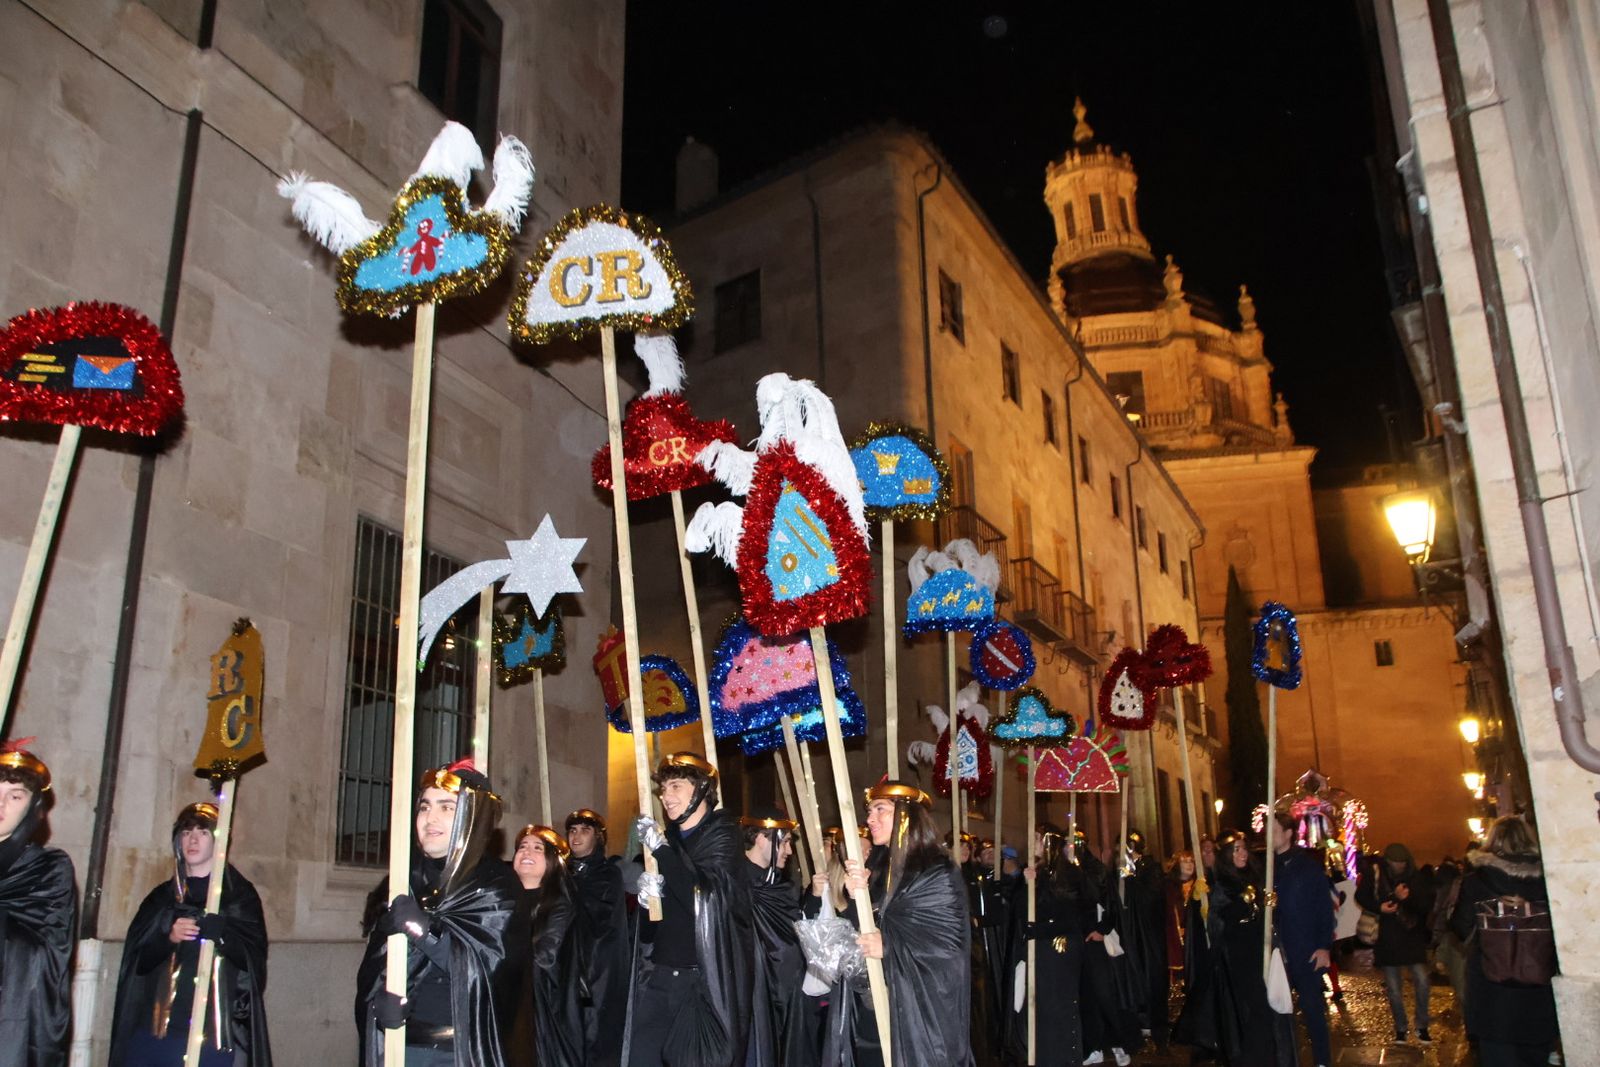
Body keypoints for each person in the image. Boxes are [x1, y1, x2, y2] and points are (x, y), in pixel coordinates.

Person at [354, 758, 529, 1066]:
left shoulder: (496, 886)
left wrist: (424, 930)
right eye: (424, 806)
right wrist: (378, 1007)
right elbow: (375, 969)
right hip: (397, 1049)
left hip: (457, 1053)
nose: (430, 817)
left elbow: (490, 974)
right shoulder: (401, 881)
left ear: (472, 816)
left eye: (446, 807)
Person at [109, 801, 271, 1066]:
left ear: (219, 841)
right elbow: (138, 963)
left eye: (203, 832)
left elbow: (252, 963)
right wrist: (168, 937)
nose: (193, 839)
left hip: (213, 1039)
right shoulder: (162, 898)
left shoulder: (238, 897)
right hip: (157, 1033)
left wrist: (222, 936)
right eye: (186, 832)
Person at [626, 752, 752, 1067]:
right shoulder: (666, 842)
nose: (666, 797)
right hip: (661, 975)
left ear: (701, 791)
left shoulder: (723, 835)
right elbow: (653, 928)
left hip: (700, 985)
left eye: (676, 786)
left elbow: (703, 897)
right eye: (663, 788)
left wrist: (662, 853)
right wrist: (647, 902)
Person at [843, 780, 972, 1067]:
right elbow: (861, 935)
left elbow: (948, 952)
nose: (870, 818)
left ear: (906, 816)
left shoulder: (935, 870)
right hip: (878, 1003)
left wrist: (889, 947)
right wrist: (857, 898)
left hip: (922, 1010)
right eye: (869, 811)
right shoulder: (878, 870)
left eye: (880, 809)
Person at [1448, 816, 1558, 1067]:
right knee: (1535, 1057)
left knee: (1497, 1056)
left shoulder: (1477, 881)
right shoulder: (1548, 879)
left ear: (1493, 840)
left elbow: (1460, 928)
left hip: (1492, 991)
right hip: (1539, 990)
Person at [0, 741, 76, 1067]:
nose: (0, 804)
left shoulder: (50, 870)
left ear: (33, 807)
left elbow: (47, 955)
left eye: (15, 796)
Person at [509, 825, 588, 1066]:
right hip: (506, 1006)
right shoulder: (500, 900)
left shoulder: (560, 906)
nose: (526, 853)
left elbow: (545, 958)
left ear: (552, 861)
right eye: (522, 847)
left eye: (537, 848)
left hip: (542, 1014)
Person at [741, 806, 814, 1065]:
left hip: (784, 998)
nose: (790, 851)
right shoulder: (733, 883)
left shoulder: (783, 889)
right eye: (784, 843)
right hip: (749, 1002)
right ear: (761, 837)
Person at [1205, 831, 1278, 1066]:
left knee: (1264, 1008)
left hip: (1258, 951)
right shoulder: (1221, 884)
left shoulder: (1255, 877)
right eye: (1236, 849)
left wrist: (1267, 904)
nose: (1243, 853)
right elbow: (1219, 923)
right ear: (1226, 854)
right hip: (1236, 958)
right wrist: (1242, 903)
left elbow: (1263, 919)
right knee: (1251, 1009)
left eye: (1244, 848)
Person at [1271, 810, 1335, 1067]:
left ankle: (1322, 1061)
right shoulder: (1266, 867)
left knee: (1312, 1009)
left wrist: (1323, 946)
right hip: (1276, 949)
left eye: (1273, 831)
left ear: (1288, 834)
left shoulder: (1307, 866)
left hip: (1305, 948)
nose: (1268, 836)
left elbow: (1323, 908)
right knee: (1277, 1008)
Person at [564, 808, 627, 1066]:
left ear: (598, 837)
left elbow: (595, 915)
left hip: (596, 969)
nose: (576, 836)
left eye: (585, 830)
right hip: (565, 967)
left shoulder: (607, 873)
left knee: (593, 1036)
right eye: (572, 830)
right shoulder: (561, 870)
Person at [1356, 842, 1434, 1043]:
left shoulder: (1416, 877)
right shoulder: (1376, 873)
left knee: (1423, 981)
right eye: (1394, 862)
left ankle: (1422, 1025)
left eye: (1402, 862)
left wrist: (1406, 899)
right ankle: (1401, 1028)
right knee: (1393, 988)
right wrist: (1384, 903)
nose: (1398, 866)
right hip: (1387, 937)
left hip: (1411, 936)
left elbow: (1425, 905)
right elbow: (1362, 896)